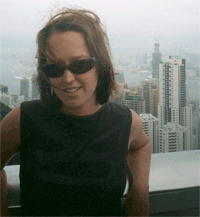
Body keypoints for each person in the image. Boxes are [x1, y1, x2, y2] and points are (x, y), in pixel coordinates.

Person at [1, 7, 151, 216]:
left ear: (100, 64)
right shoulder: (23, 119)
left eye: (80, 65)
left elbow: (141, 145)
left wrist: (140, 191)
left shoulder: (125, 122)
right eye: (54, 68)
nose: (67, 78)